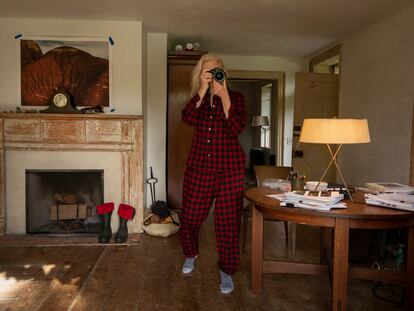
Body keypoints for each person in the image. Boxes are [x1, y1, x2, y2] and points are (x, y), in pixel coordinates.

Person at [179, 53, 246, 294]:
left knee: (228, 222)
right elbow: (186, 118)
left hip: (230, 170)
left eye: (216, 71)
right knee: (190, 216)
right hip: (199, 168)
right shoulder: (197, 100)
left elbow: (235, 127)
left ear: (224, 72)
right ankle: (190, 254)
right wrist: (202, 89)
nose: (213, 75)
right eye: (207, 72)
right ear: (201, 74)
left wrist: (224, 94)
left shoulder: (236, 97)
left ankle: (227, 271)